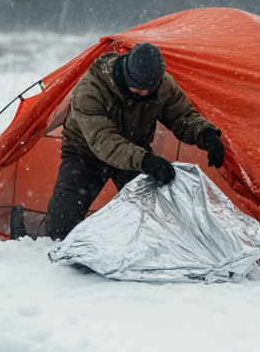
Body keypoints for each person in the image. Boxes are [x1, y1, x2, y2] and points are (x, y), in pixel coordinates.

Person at [46, 42, 225, 240]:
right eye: (138, 92)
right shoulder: (90, 89)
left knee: (155, 216)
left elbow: (182, 117)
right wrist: (146, 161)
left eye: (149, 93)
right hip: (85, 152)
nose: (144, 97)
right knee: (63, 220)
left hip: (134, 151)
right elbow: (103, 140)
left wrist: (206, 135)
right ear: (126, 76)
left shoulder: (164, 86)